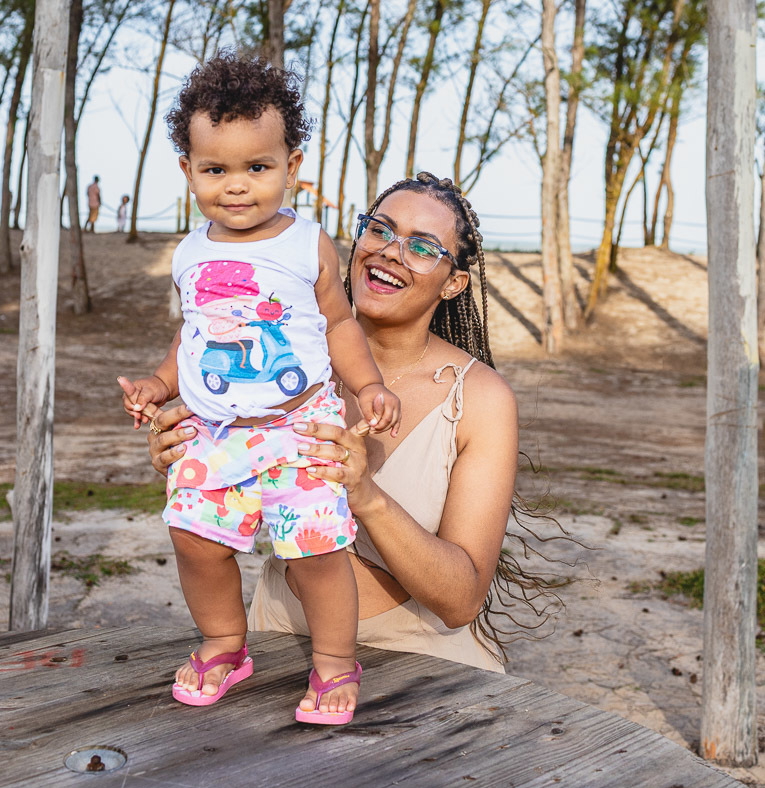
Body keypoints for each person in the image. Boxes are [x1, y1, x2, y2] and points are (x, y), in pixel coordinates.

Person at [147, 171, 532, 681]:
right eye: (380, 230)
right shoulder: (276, 361)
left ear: (454, 283)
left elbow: (460, 600)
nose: (390, 252)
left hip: (423, 660)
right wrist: (186, 453)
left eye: (421, 247)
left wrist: (364, 493)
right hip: (278, 634)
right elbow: (222, 504)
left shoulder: (481, 399)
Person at [117, 53, 400, 726]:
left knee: (318, 551)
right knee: (194, 538)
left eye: (257, 167)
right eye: (215, 170)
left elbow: (338, 324)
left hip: (298, 427)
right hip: (214, 432)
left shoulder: (308, 245)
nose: (236, 186)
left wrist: (368, 384)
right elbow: (192, 336)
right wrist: (158, 384)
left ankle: (334, 662)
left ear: (291, 166)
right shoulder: (188, 253)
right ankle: (224, 643)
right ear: (188, 170)